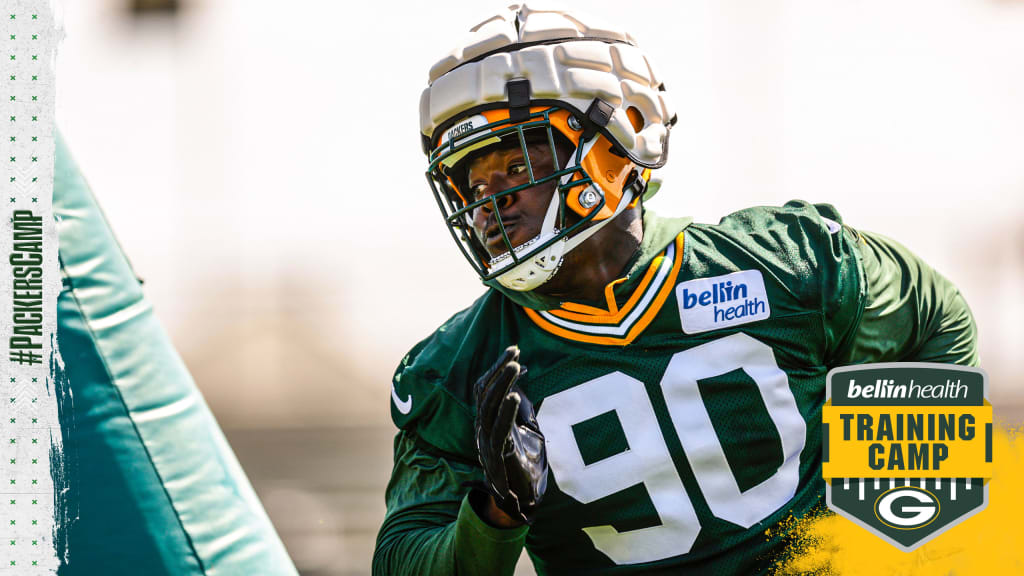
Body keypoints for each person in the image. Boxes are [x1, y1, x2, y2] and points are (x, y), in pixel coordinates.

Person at [373, 5, 978, 575]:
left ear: (616, 144)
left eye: (516, 166)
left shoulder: (785, 264)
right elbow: (403, 555)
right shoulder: (454, 371)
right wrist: (495, 514)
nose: (489, 203)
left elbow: (932, 316)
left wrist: (902, 525)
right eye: (470, 185)